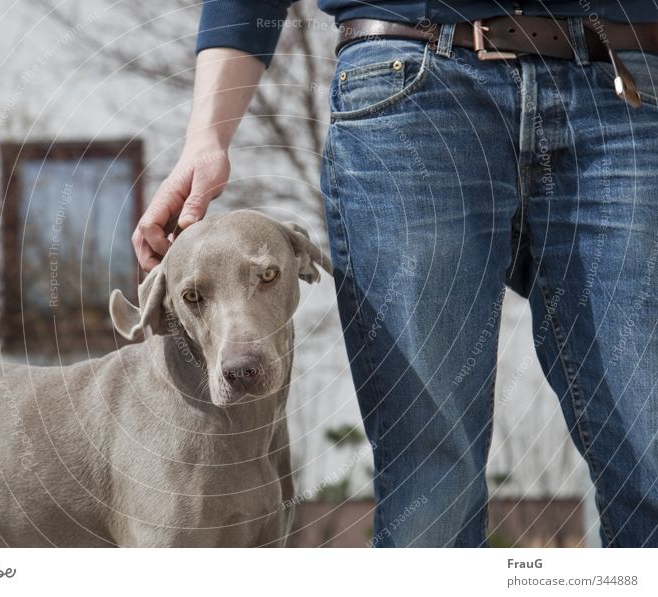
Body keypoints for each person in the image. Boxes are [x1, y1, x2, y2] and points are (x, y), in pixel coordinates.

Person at [132, 1, 658, 547]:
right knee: (431, 482)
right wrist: (206, 137)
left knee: (650, 452)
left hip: (625, 84)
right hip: (412, 79)